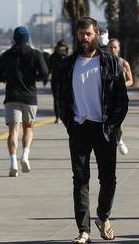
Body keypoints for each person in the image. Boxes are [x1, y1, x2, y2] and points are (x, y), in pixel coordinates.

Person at [58, 17, 128, 244]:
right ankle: (84, 231)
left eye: (88, 34)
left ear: (97, 34)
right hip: (79, 128)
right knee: (80, 180)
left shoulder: (110, 62)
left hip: (104, 128)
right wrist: (70, 124)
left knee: (109, 179)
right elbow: (62, 98)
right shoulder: (69, 63)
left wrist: (112, 126)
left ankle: (103, 217)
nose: (84, 38)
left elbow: (121, 100)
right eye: (81, 34)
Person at [0, 26, 48, 177]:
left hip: (12, 97)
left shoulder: (6, 55)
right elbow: (44, 73)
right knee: (28, 128)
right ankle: (25, 156)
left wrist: (8, 78)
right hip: (30, 97)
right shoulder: (35, 54)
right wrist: (34, 78)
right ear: (27, 38)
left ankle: (13, 162)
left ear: (14, 38)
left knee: (13, 131)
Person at [107, 38, 133, 156]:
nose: (112, 50)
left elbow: (130, 80)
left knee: (119, 124)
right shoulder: (103, 62)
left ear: (118, 49)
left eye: (115, 47)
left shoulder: (123, 63)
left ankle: (119, 139)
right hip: (107, 98)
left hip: (120, 98)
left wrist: (121, 85)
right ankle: (110, 142)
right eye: (110, 47)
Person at [48, 40, 69, 123]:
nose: (62, 50)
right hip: (55, 81)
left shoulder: (68, 57)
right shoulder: (53, 57)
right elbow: (48, 69)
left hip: (65, 81)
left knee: (65, 98)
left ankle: (65, 115)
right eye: (60, 48)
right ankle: (57, 117)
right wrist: (45, 78)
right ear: (57, 48)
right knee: (56, 99)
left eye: (63, 48)